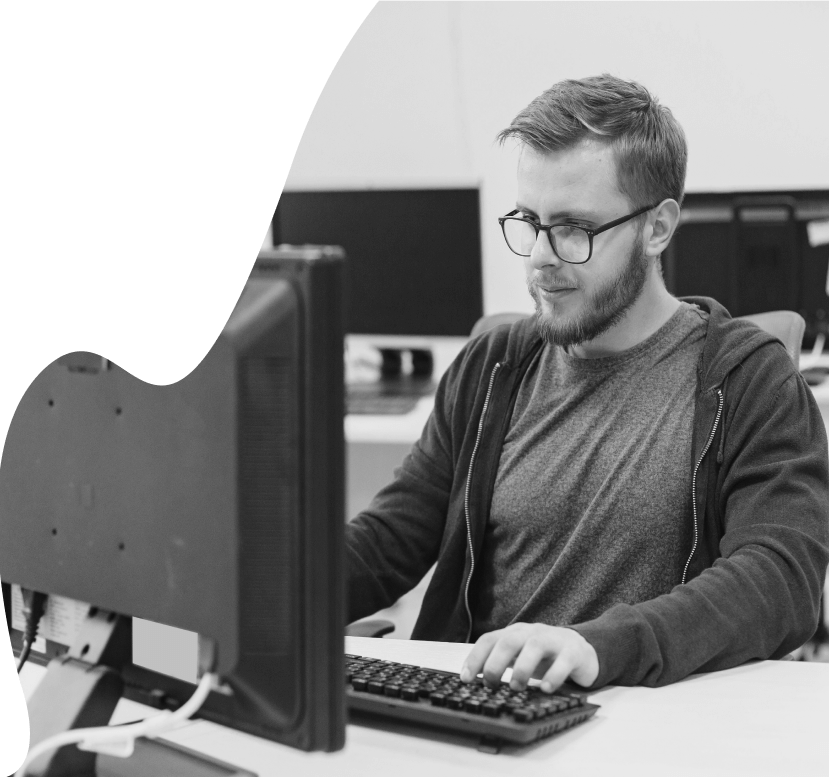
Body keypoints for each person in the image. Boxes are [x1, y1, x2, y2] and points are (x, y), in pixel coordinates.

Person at [345, 74, 829, 693]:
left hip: (647, 717)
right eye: (529, 221)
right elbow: (391, 539)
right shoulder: (492, 367)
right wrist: (259, 593)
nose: (539, 257)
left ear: (657, 227)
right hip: (487, 708)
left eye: (574, 228)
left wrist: (595, 647)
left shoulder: (748, 379)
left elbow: (778, 580)